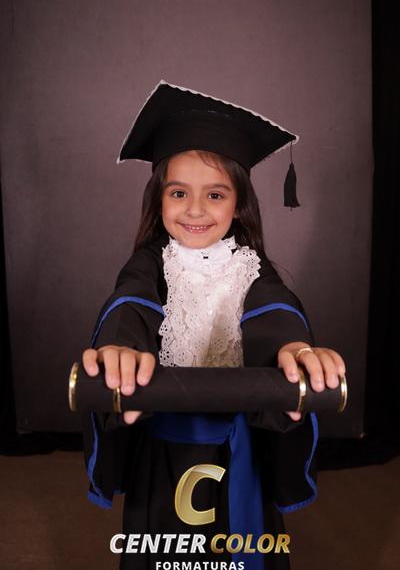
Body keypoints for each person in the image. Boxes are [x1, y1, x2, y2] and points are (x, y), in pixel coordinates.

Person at [81, 81, 346, 570]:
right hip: (164, 446)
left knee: (240, 546)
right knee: (164, 547)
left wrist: (295, 349)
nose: (196, 209)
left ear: (238, 203)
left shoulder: (250, 268)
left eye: (216, 194)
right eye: (179, 192)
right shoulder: (151, 264)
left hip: (238, 446)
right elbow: (130, 305)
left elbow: (274, 309)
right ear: (159, 199)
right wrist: (122, 348)